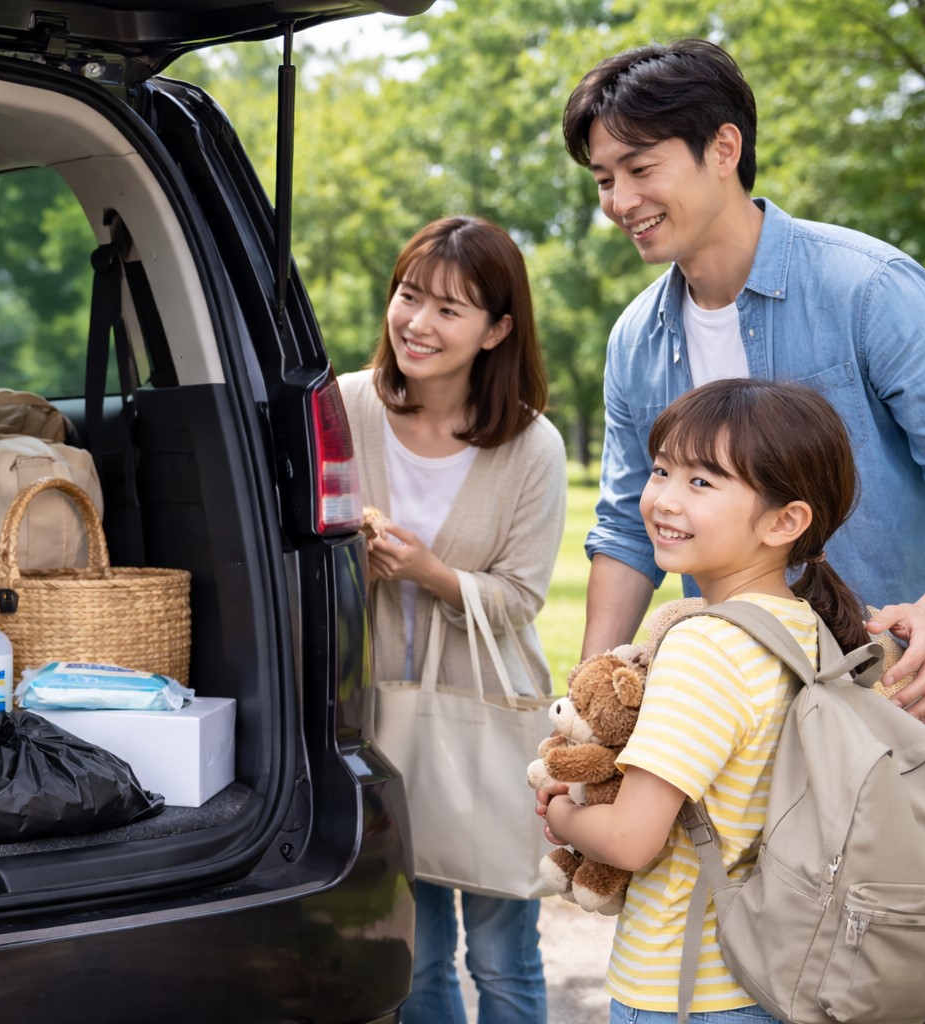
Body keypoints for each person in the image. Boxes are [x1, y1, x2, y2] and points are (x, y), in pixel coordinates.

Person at [564, 38, 925, 1024]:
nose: (617, 200)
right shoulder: (634, 340)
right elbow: (623, 524)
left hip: (919, 706)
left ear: (723, 147)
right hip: (761, 723)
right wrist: (594, 699)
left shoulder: (869, 287)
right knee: (793, 968)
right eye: (604, 177)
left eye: (639, 168)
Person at [540, 378, 867, 1023]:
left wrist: (562, 814)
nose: (662, 498)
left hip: (682, 990)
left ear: (786, 521)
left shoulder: (706, 648)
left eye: (702, 482)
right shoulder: (808, 630)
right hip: (775, 976)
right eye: (662, 469)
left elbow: (632, 839)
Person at [340, 215, 566, 1024]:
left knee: (503, 959)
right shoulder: (343, 407)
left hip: (482, 724)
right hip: (375, 720)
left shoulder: (532, 446)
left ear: (498, 329)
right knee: (417, 958)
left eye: (449, 308)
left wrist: (430, 574)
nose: (418, 323)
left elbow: (522, 599)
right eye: (409, 296)